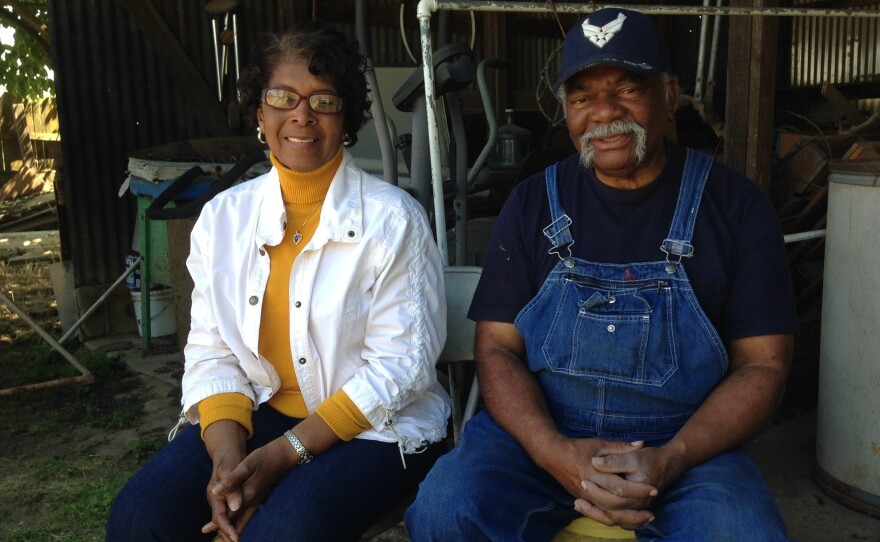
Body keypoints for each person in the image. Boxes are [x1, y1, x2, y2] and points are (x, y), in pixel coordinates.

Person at [406, 8, 796, 541]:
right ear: (566, 112)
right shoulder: (530, 204)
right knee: (445, 510)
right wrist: (552, 452)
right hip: (543, 432)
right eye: (583, 97)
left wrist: (674, 458)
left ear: (669, 94)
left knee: (743, 534)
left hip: (684, 440)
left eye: (627, 89)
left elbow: (763, 365)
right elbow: (496, 348)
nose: (604, 113)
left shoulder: (736, 206)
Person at [107, 21, 450, 542]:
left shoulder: (394, 220)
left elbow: (399, 370)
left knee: (282, 532)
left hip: (376, 429)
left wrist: (282, 457)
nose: (302, 116)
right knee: (139, 517)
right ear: (259, 113)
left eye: (324, 101)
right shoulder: (223, 219)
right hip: (262, 415)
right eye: (282, 97)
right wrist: (228, 461)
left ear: (347, 118)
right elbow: (212, 349)